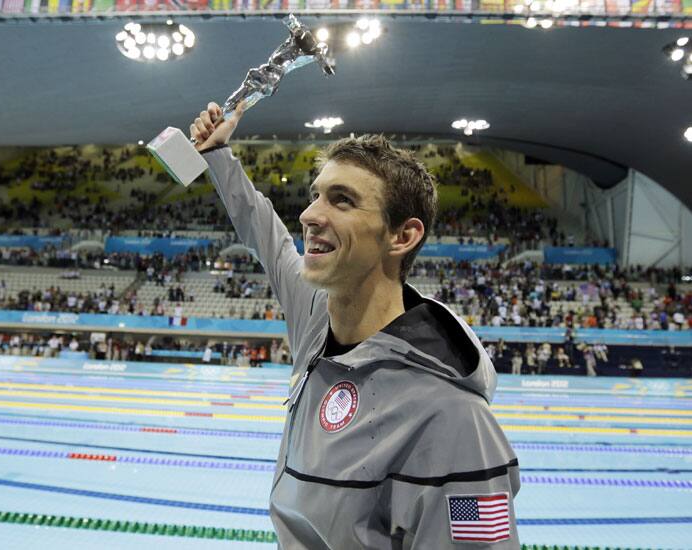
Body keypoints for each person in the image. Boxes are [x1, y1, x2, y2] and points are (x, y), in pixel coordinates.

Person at [190, 102, 520, 548]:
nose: (309, 215)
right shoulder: (316, 319)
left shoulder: (455, 420)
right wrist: (217, 154)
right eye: (316, 195)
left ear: (402, 236)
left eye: (342, 200)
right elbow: (262, 230)